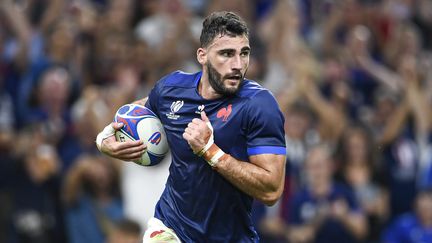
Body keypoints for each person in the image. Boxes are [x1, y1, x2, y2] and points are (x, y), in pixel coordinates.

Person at [96, 11, 286, 242]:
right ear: (202, 55)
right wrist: (104, 139)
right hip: (171, 227)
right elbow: (135, 111)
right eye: (226, 54)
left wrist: (210, 152)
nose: (238, 65)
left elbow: (271, 190)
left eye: (243, 54)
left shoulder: (259, 105)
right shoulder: (171, 89)